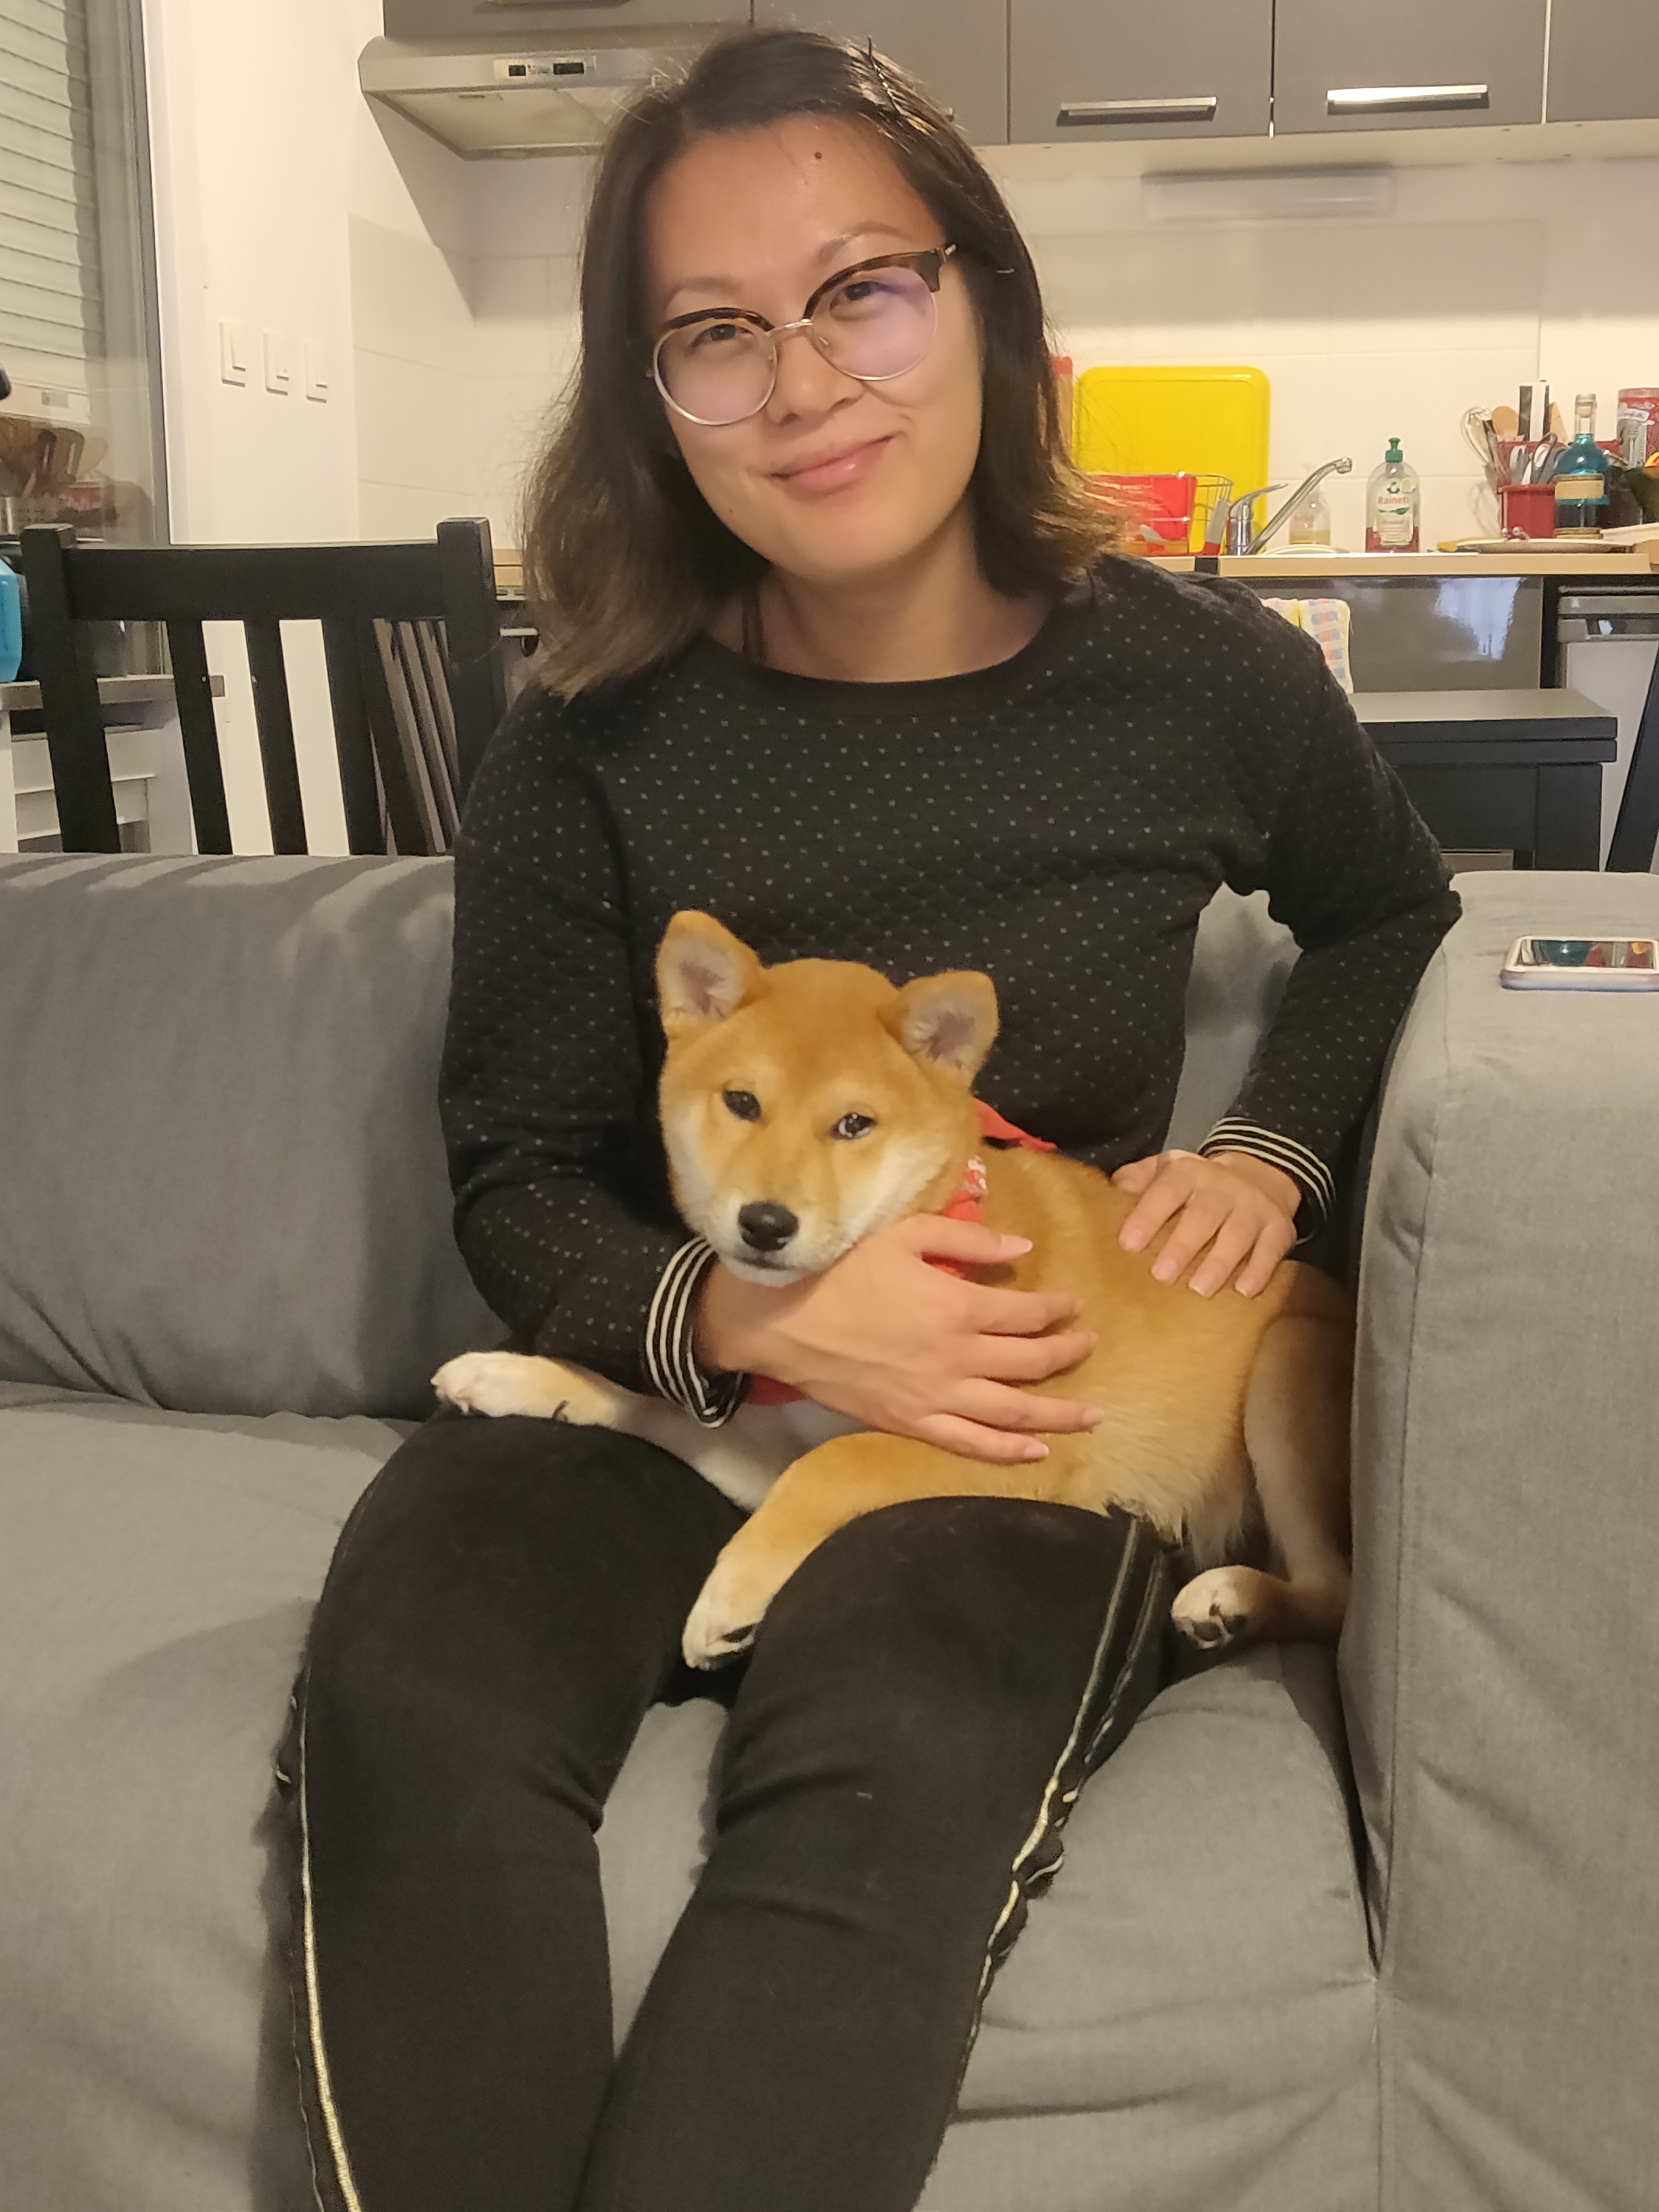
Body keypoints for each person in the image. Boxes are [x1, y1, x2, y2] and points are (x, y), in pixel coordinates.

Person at [280, 29, 1457, 2212]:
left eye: (860, 292)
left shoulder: (1205, 677)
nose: (803, 382)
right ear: (652, 394)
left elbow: (1395, 916)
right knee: (415, 1694)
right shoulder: (586, 731)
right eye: (715, 333)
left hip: (1017, 1420)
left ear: (982, 296)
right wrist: (755, 1323)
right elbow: (517, 1168)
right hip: (664, 1377)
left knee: (892, 1770)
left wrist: (1271, 1153)